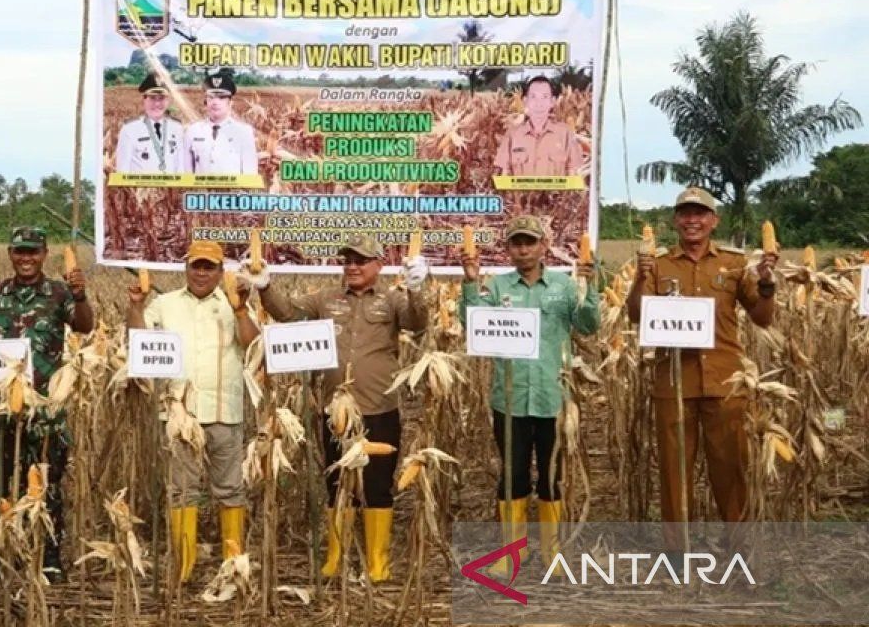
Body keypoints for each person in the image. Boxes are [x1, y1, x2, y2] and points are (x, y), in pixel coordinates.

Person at [255, 234, 429, 582]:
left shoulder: (393, 300)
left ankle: (377, 561)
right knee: (337, 484)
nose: (352, 266)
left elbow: (417, 322)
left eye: (360, 260)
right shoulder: (326, 298)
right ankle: (336, 557)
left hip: (379, 406)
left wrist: (416, 290)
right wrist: (265, 288)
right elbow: (287, 313)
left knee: (378, 484)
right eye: (347, 260)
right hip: (337, 412)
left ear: (378, 265)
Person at [626, 187, 777, 552]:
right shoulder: (659, 265)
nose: (692, 220)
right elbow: (636, 315)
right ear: (675, 220)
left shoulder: (735, 263)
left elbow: (762, 319)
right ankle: (678, 550)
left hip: (725, 383)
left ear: (714, 220)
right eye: (685, 213)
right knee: (674, 472)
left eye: (700, 213)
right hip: (674, 383)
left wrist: (768, 285)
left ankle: (737, 545)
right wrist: (638, 278)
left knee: (730, 469)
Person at [0, 226, 95, 580]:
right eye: (20, 252)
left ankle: (49, 555)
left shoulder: (59, 294)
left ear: (44, 254)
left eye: (33, 252)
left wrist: (81, 295)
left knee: (47, 481)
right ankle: (4, 552)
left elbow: (85, 326)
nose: (26, 258)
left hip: (45, 408)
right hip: (1, 409)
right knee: (3, 483)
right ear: (11, 254)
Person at [459, 215, 599, 574]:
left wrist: (589, 286)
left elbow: (588, 325)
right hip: (510, 397)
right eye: (516, 243)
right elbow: (474, 324)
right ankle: (511, 552)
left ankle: (552, 551)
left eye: (530, 242)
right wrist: (470, 283)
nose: (523, 249)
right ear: (508, 249)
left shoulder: (564, 287)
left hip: (554, 395)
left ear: (543, 245)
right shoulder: (496, 286)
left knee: (553, 475)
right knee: (513, 474)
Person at [126, 240, 259, 582]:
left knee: (230, 488)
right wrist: (136, 307)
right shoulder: (165, 304)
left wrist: (242, 310)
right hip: (178, 413)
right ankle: (184, 564)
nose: (201, 272)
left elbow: (254, 346)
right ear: (186, 267)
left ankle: (233, 564)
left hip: (223, 411)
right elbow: (139, 342)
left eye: (209, 267)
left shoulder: (235, 303)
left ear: (220, 271)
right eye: (196, 265)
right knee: (181, 489)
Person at [493, 76, 583, 177]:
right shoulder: (512, 135)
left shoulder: (566, 134)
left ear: (552, 102)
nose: (539, 104)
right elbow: (504, 176)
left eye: (544, 97)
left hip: (555, 193)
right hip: (521, 193)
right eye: (533, 97)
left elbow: (573, 175)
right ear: (525, 101)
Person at [185, 67, 259, 175]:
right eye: (211, 97)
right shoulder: (193, 131)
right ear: (206, 101)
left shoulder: (244, 132)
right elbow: (186, 174)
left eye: (221, 97)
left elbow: (250, 175)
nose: (215, 102)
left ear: (230, 102)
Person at [114, 71, 187, 173]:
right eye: (152, 98)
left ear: (168, 101)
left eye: (161, 98)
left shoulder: (177, 128)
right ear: (144, 99)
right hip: (141, 188)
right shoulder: (129, 129)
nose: (157, 104)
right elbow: (122, 170)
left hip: (171, 188)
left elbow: (181, 167)